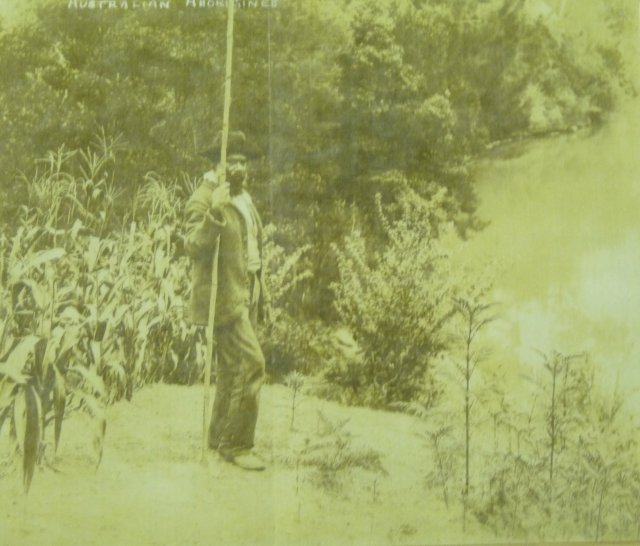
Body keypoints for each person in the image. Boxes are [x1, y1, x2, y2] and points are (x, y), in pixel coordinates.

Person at [184, 131, 269, 471]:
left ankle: (219, 437)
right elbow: (193, 245)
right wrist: (214, 212)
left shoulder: (243, 197)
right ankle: (239, 444)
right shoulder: (205, 197)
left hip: (243, 292)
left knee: (233, 369)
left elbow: (250, 246)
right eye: (231, 160)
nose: (238, 166)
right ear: (216, 163)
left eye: (242, 160)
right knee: (253, 365)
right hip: (223, 297)